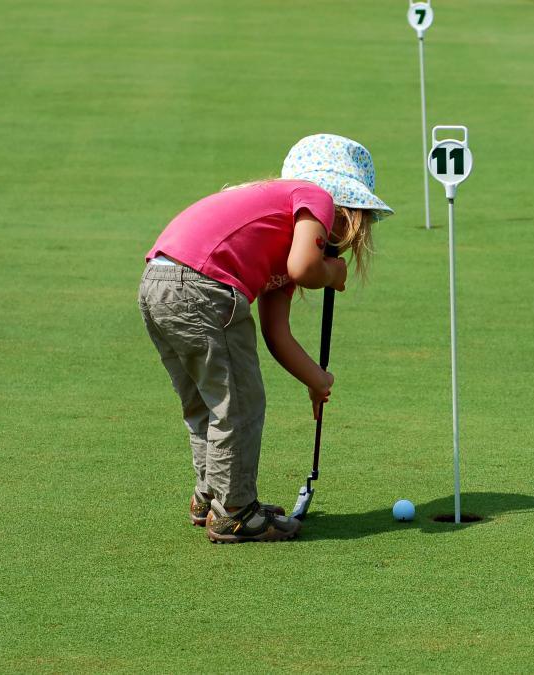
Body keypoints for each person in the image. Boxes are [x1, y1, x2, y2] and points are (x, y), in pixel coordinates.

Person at [137, 134, 393, 543]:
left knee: (208, 402)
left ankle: (210, 496)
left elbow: (278, 334)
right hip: (205, 286)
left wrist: (317, 379)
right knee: (239, 402)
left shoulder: (276, 238)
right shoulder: (316, 197)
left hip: (159, 281)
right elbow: (305, 267)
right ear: (348, 208)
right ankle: (235, 511)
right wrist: (331, 274)